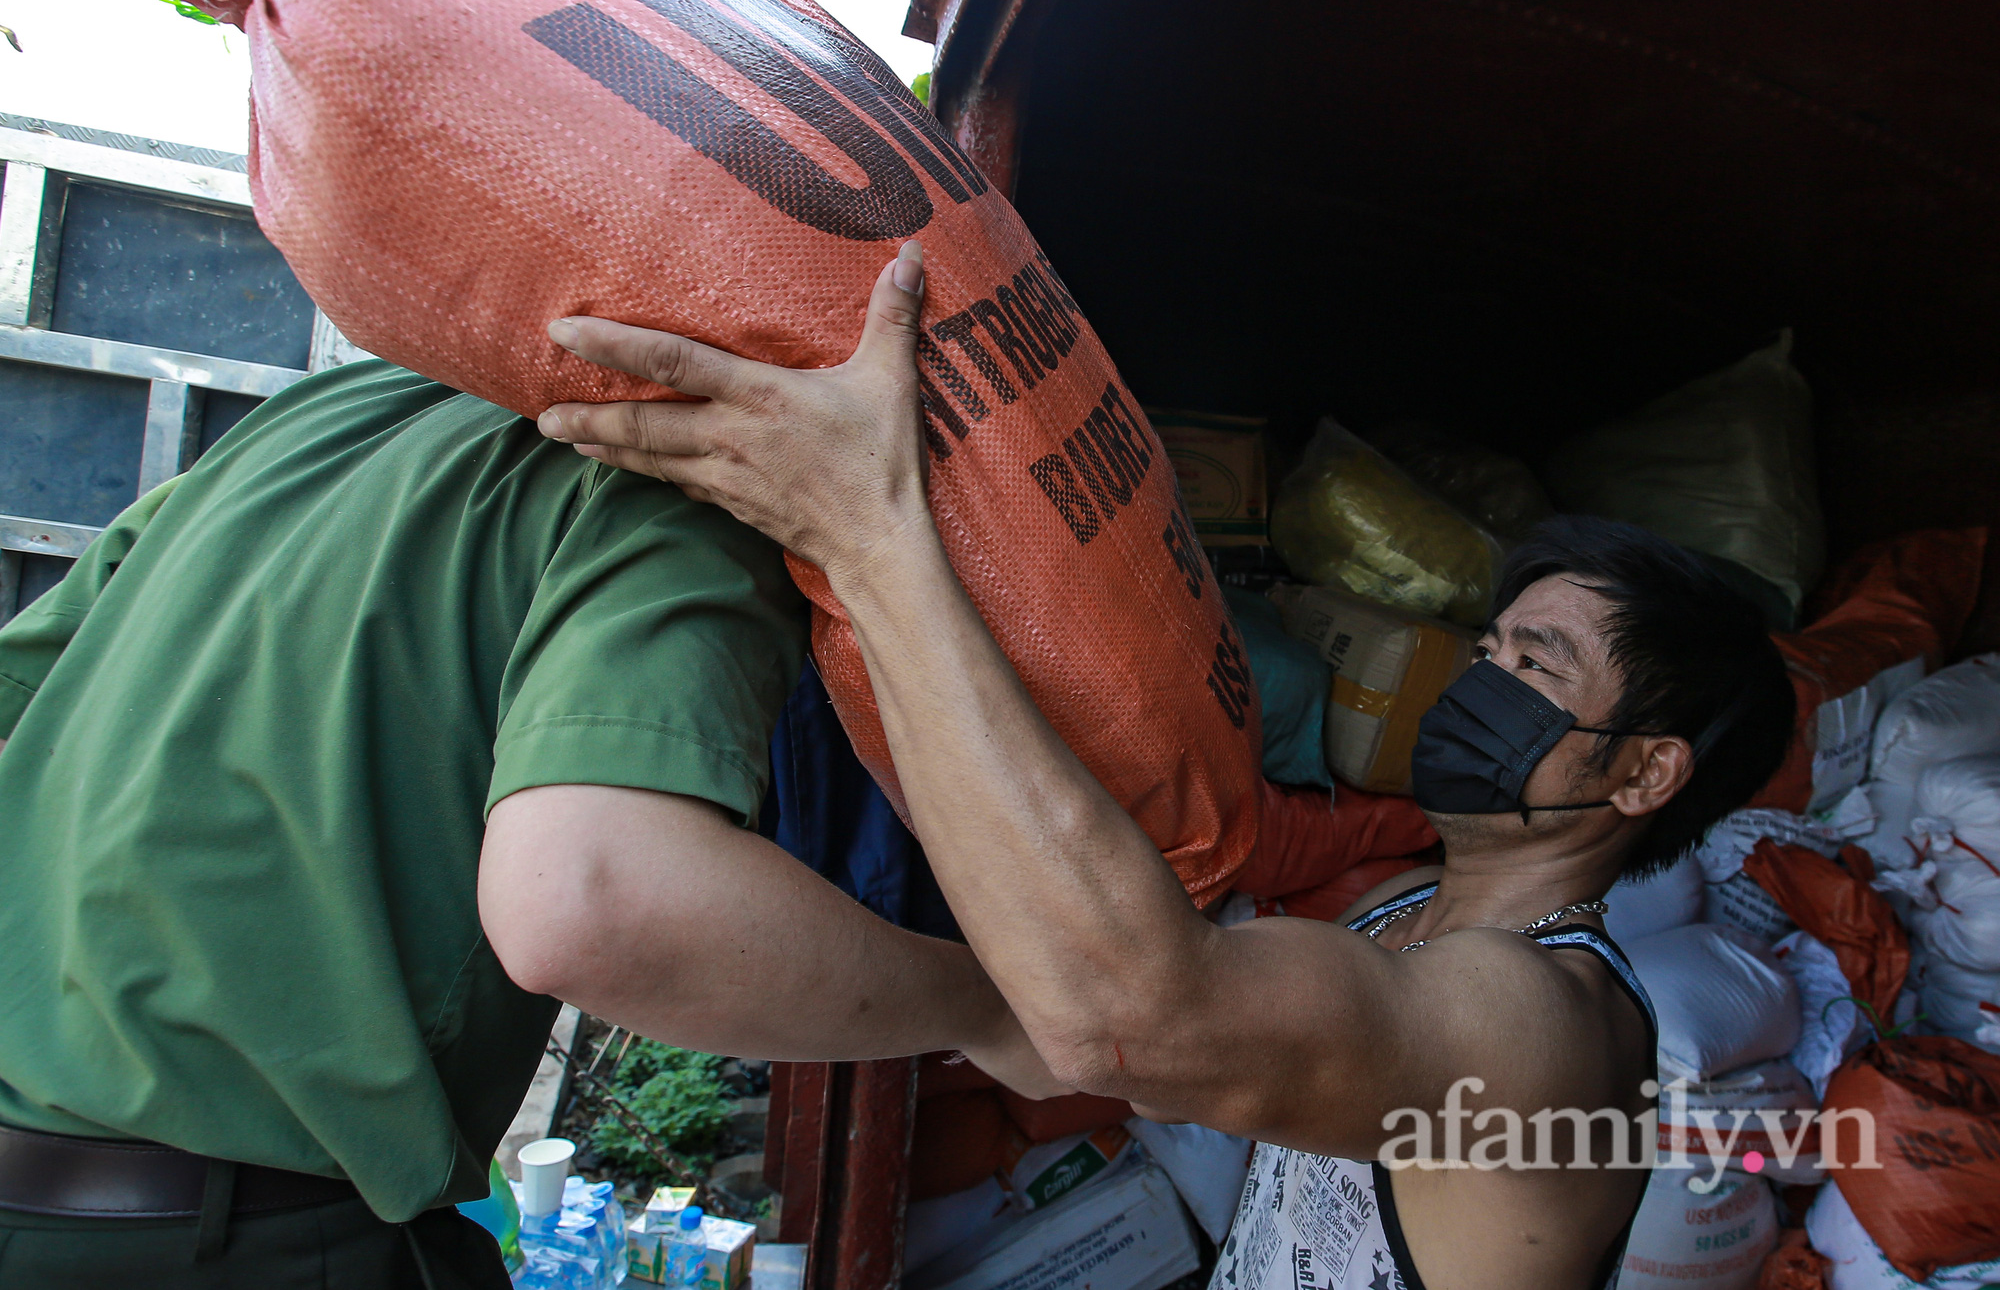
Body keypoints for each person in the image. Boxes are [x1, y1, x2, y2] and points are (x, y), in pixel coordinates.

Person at [534, 241, 1798, 1290]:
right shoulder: (1400, 913)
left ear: (1641, 775)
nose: (1476, 678)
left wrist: (869, 535)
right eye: (1489, 643)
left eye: (1536, 665)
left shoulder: (1551, 1028)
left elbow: (1134, 1020)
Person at [0, 361, 1051, 1288]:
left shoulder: (315, 414)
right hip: (239, 1243)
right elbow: (590, 900)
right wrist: (992, 1010)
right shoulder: (679, 478)